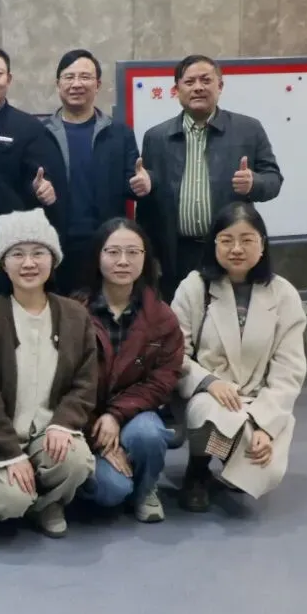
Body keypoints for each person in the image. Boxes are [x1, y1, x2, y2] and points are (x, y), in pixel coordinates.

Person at [0, 208, 96, 538]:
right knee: (8, 502)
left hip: (50, 433)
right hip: (0, 440)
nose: (28, 263)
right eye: (17, 254)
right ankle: (17, 492)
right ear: (3, 263)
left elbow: (85, 381)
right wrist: (11, 453)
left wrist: (64, 423)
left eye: (38, 253)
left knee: (76, 461)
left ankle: (48, 504)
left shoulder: (75, 315)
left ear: (53, 259)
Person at [171, 202, 306, 511]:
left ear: (262, 244)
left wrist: (265, 426)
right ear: (214, 244)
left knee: (264, 468)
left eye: (247, 240)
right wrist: (208, 382)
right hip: (209, 395)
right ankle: (198, 471)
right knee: (212, 418)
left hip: (259, 398)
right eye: (226, 240)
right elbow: (174, 353)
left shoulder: (283, 294)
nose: (236, 249)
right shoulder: (194, 287)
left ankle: (232, 465)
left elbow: (289, 370)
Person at [138, 55, 282, 299]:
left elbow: (274, 180)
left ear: (220, 86)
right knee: (182, 316)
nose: (198, 87)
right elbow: (148, 206)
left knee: (228, 312)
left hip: (230, 250)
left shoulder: (248, 129)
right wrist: (149, 257)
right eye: (189, 82)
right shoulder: (156, 137)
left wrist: (254, 183)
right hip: (176, 253)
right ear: (177, 89)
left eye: (206, 80)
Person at [73, 218, 183, 522]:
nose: (123, 261)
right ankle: (104, 473)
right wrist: (96, 431)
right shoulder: (73, 311)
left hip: (135, 414)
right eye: (113, 252)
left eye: (133, 252)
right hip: (84, 420)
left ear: (146, 258)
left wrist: (115, 415)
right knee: (111, 491)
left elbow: (163, 380)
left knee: (149, 433)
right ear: (97, 256)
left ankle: (146, 490)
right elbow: (63, 382)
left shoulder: (162, 317)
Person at [0, 46, 68, 309]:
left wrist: (44, 190)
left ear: (8, 79)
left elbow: (45, 178)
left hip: (9, 244)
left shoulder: (28, 128)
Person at [44, 50, 147, 293]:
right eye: (69, 77)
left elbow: (131, 183)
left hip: (106, 242)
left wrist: (141, 184)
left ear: (98, 85)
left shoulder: (119, 132)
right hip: (55, 242)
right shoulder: (40, 133)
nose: (77, 84)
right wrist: (35, 189)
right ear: (58, 84)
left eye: (85, 77)